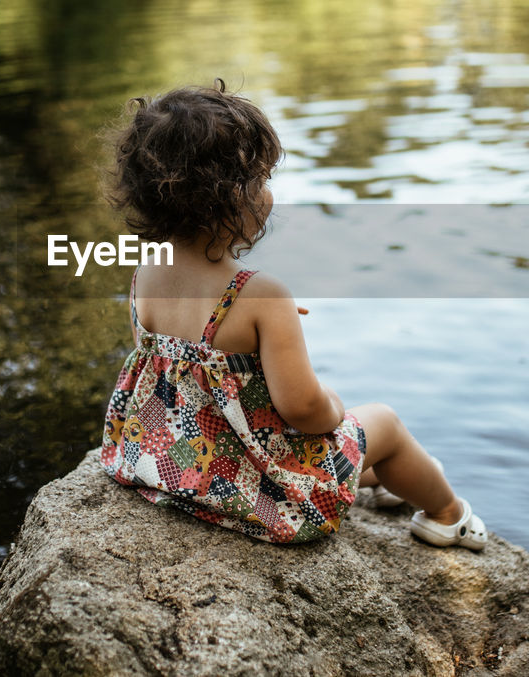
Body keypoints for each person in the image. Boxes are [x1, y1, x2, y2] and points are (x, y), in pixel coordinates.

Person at [99, 80, 486, 549]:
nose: (267, 194)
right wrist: (336, 406)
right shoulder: (261, 295)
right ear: (225, 198)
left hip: (172, 469)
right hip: (263, 494)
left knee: (347, 447)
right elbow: (304, 411)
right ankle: (446, 515)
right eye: (260, 181)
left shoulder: (146, 274)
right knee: (382, 422)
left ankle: (383, 477)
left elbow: (175, 362)